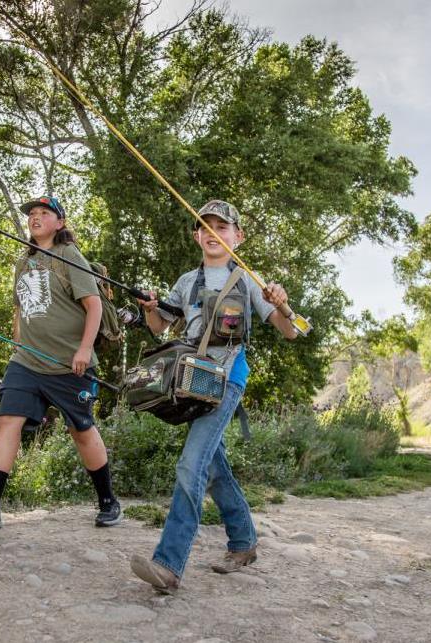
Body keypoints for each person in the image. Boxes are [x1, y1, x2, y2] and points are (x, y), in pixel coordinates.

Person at [129, 200, 297, 592]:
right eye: (205, 226)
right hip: (189, 383)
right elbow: (158, 327)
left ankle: (168, 566)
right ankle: (243, 542)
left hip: (227, 381)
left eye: (222, 227)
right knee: (213, 464)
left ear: (237, 236)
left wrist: (282, 304)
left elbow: (290, 332)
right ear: (196, 236)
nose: (213, 233)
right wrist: (151, 308)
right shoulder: (187, 282)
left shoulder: (252, 282)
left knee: (191, 466)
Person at [0, 196, 122, 529]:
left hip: (69, 364)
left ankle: (108, 501)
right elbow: (19, 308)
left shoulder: (70, 256)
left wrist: (84, 350)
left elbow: (95, 307)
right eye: (32, 213)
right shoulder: (22, 262)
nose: (35, 217)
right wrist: (17, 342)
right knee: (6, 422)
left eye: (44, 212)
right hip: (27, 361)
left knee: (81, 430)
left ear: (60, 223)